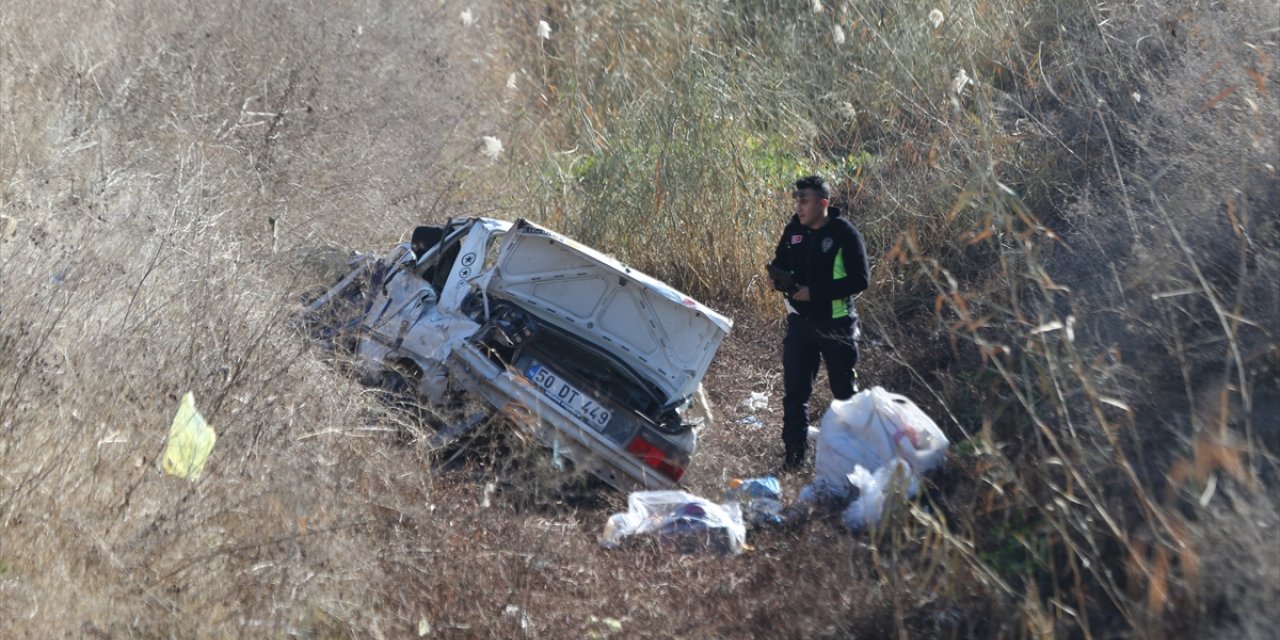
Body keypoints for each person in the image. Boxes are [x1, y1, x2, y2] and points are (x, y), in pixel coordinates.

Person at [767, 175, 870, 471]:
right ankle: (793, 461)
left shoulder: (844, 234)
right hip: (800, 325)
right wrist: (776, 276)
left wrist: (814, 292)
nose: (798, 206)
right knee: (795, 394)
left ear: (822, 204)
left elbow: (861, 280)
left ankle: (854, 460)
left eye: (805, 200)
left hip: (837, 327)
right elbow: (781, 260)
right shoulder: (794, 230)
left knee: (844, 396)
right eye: (796, 199)